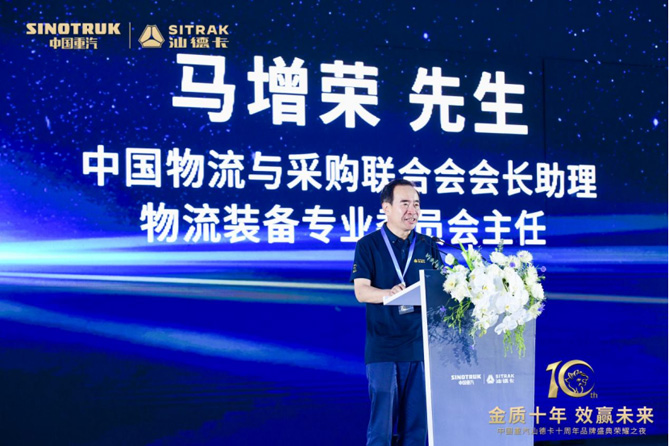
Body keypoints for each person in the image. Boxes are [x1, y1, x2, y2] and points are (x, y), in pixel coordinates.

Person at [350, 178, 442, 446]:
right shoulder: (368, 245)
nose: (412, 210)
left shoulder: (428, 245)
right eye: (405, 204)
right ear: (386, 208)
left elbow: (440, 289)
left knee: (416, 429)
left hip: (419, 348)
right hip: (384, 349)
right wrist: (388, 294)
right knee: (381, 430)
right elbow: (361, 292)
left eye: (416, 204)